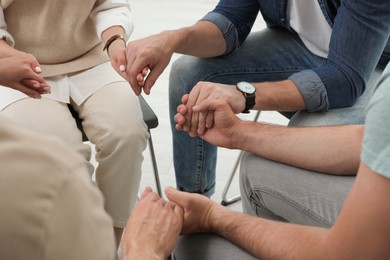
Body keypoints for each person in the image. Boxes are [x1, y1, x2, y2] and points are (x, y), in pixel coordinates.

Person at [125, 0, 390, 196]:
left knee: (309, 133)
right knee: (189, 73)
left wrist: (244, 95)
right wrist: (172, 39)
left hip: (372, 67)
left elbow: (345, 78)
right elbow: (230, 22)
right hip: (303, 47)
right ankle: (193, 203)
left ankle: (307, 232)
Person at [0, 0, 149, 246]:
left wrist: (115, 43)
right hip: (15, 66)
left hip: (93, 57)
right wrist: (13, 59)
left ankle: (110, 243)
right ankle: (82, 242)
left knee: (128, 134)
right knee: (62, 158)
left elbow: (110, 4)